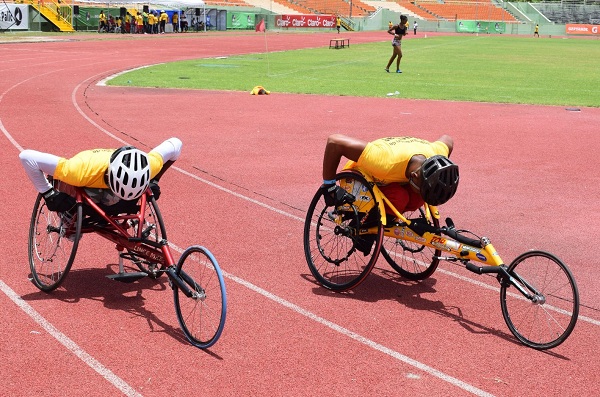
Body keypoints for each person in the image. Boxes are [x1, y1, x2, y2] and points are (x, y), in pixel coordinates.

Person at [19, 138, 182, 216]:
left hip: (121, 193)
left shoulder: (150, 165)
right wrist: (48, 194)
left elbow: (176, 144)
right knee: (67, 183)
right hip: (89, 179)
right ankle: (69, 216)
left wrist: (154, 179)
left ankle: (120, 198)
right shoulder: (79, 170)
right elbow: (27, 157)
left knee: (113, 201)